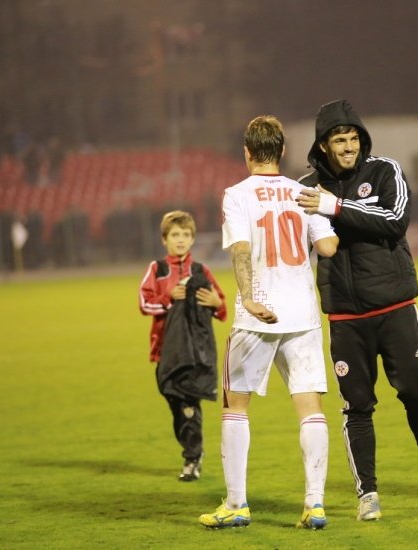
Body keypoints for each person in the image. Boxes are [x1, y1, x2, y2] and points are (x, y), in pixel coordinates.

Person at [296, 99, 418, 520]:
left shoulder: (385, 171)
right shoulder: (307, 187)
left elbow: (395, 220)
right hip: (345, 315)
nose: (348, 147)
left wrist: (335, 207)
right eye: (339, 140)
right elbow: (299, 243)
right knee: (357, 406)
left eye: (353, 139)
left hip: (394, 306)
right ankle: (367, 493)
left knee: (416, 393)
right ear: (324, 145)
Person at [199, 115, 338, 530]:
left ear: (247, 152)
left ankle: (236, 504)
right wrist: (328, 205)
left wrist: (247, 296)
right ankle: (315, 505)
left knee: (235, 405)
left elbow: (240, 249)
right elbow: (328, 247)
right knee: (310, 407)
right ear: (282, 151)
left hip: (258, 314)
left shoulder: (237, 195)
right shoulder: (304, 193)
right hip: (302, 313)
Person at [139, 210, 227, 481]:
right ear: (164, 239)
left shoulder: (201, 271)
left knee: (189, 404)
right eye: (175, 235)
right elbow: (144, 303)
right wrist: (168, 297)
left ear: (192, 239)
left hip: (196, 353)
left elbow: (221, 307)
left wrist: (216, 303)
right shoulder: (157, 269)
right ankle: (191, 448)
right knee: (175, 402)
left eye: (185, 235)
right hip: (165, 351)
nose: (180, 239)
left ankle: (192, 457)